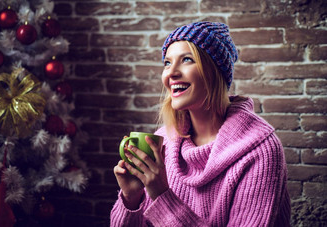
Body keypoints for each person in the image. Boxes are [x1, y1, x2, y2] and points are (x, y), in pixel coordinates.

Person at [110, 21, 291, 226]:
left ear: (215, 71)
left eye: (187, 60)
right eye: (167, 63)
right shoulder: (164, 142)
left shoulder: (260, 151)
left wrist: (162, 196)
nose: (171, 73)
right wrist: (131, 198)